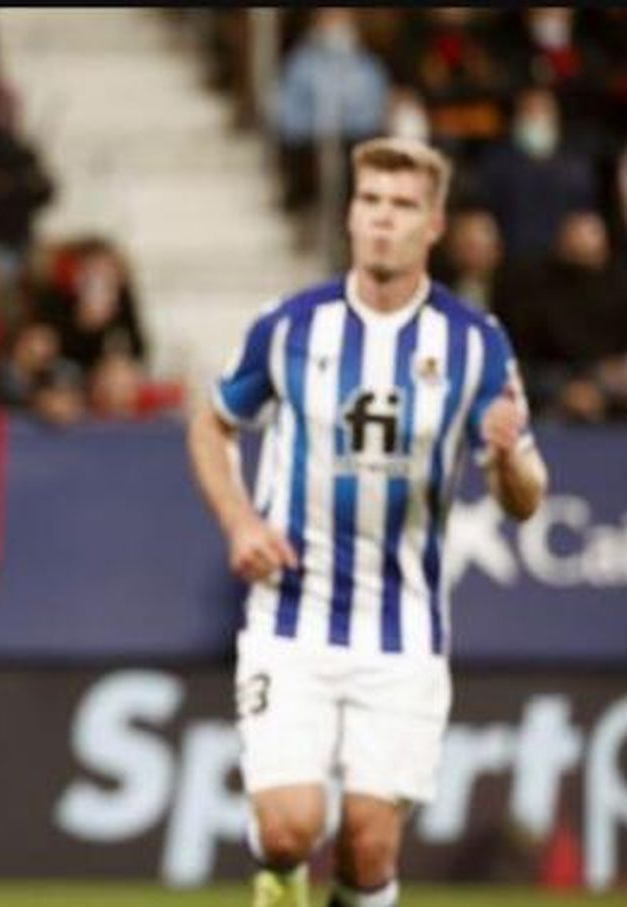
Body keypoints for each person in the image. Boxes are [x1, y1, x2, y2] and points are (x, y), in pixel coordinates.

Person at [186, 136, 549, 907]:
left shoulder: (474, 343)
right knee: (290, 827)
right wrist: (241, 521)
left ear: (435, 224)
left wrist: (510, 456)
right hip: (292, 614)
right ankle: (279, 876)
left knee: (368, 841)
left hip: (405, 629)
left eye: (403, 205)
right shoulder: (290, 326)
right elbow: (211, 423)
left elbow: (527, 493)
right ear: (351, 214)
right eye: (371, 202)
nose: (384, 220)